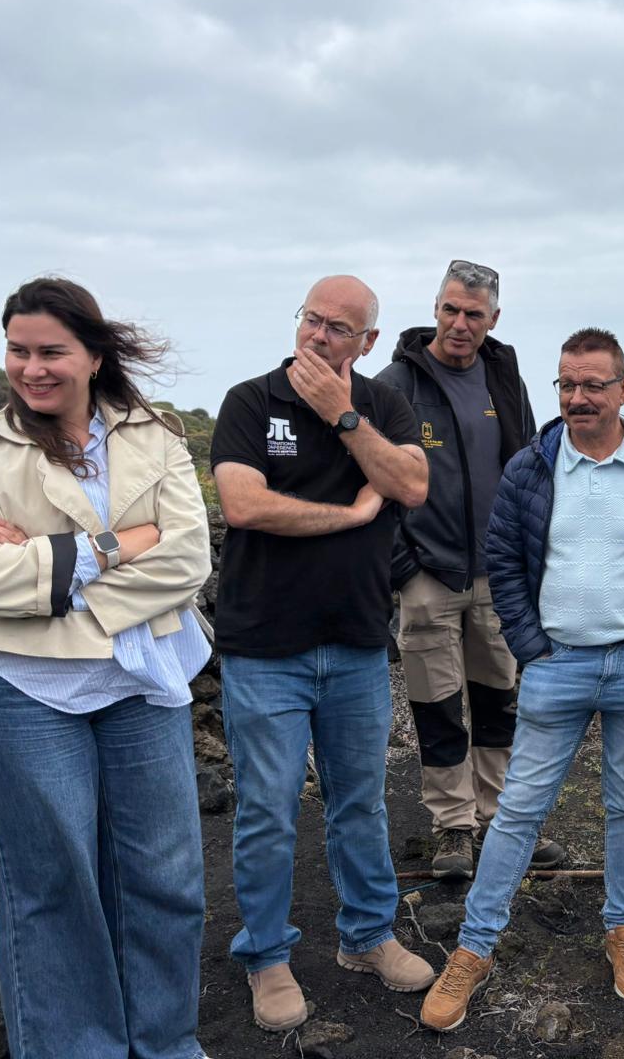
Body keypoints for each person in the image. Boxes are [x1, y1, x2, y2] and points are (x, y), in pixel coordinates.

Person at [0, 277, 213, 1059]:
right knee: (53, 895)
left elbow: (188, 559)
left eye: (51, 350)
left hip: (140, 684)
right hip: (27, 691)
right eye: (18, 350)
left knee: (167, 884)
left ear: (93, 355)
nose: (32, 367)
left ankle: (165, 1045)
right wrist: (115, 547)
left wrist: (45, 565)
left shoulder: (155, 435)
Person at [420, 327, 624, 1032]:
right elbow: (505, 559)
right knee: (519, 811)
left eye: (592, 385)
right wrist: (533, 648)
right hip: (559, 666)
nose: (578, 397)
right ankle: (474, 947)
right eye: (566, 385)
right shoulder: (533, 466)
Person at [210, 275, 435, 1032]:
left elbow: (409, 485)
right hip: (264, 648)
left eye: (339, 329)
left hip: (356, 646)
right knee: (269, 811)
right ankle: (267, 955)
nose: (318, 337)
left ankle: (367, 937)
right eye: (312, 320)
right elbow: (243, 505)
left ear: (367, 342)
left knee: (361, 804)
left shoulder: (381, 404)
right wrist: (346, 514)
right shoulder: (249, 401)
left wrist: (339, 415)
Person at [375, 260, 565, 878]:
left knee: (498, 699)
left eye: (474, 314)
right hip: (428, 573)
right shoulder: (397, 382)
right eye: (451, 309)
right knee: (435, 703)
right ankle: (453, 826)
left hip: (498, 572)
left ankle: (502, 817)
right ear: (435, 307)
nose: (460, 324)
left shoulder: (503, 378)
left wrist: (527, 555)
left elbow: (531, 466)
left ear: (494, 319)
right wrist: (404, 568)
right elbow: (372, 478)